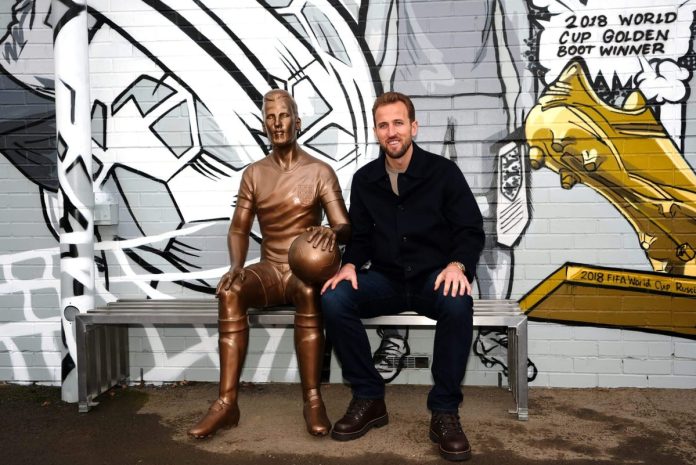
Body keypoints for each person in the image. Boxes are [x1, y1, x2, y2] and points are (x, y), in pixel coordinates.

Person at [321, 92, 485, 461]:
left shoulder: (443, 173)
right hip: (387, 280)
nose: (391, 132)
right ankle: (368, 397)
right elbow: (360, 237)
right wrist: (348, 264)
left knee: (459, 304)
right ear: (376, 132)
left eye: (398, 123)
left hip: (432, 278)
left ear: (413, 126)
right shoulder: (364, 180)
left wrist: (458, 265)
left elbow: (470, 230)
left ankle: (444, 411)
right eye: (383, 125)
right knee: (334, 298)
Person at [188, 89, 350, 439]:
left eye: (284, 116)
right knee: (230, 292)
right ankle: (226, 404)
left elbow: (344, 223)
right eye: (270, 118)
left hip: (300, 273)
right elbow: (238, 228)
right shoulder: (254, 174)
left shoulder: (320, 171)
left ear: (298, 122)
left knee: (308, 290)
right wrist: (235, 266)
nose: (277, 123)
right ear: (265, 126)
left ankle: (312, 398)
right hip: (269, 270)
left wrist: (331, 232)